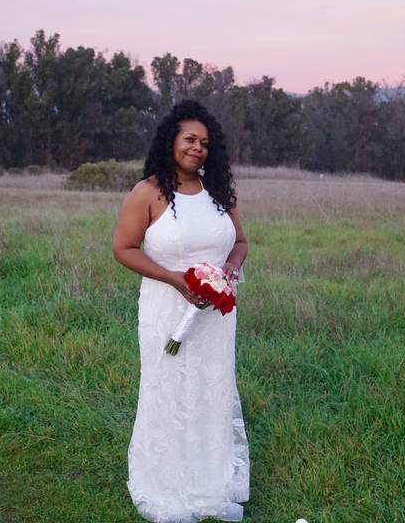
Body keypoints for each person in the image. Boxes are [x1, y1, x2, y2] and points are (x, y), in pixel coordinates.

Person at [112, 99, 250, 522]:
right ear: (171, 139)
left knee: (211, 390)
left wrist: (227, 271)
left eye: (205, 143)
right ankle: (167, 488)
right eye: (190, 139)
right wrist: (175, 279)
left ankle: (211, 488)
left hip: (214, 315)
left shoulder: (219, 193)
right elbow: (123, 249)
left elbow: (241, 243)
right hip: (166, 309)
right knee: (169, 390)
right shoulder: (148, 192)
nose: (198, 148)